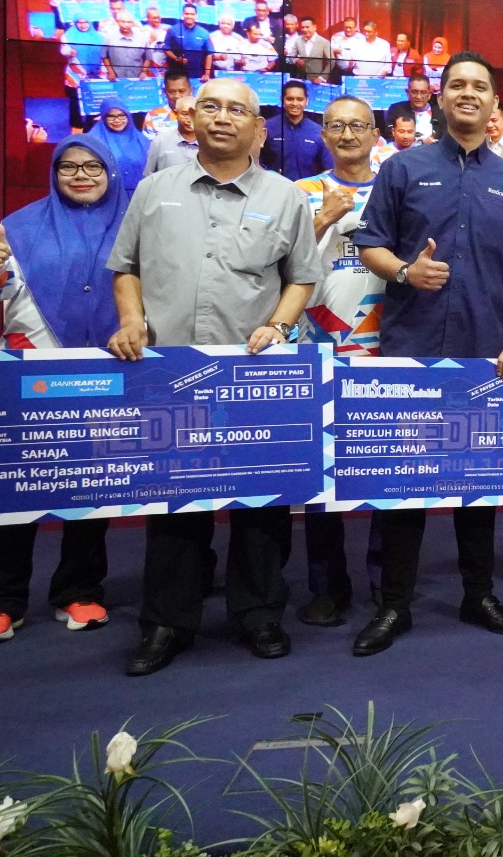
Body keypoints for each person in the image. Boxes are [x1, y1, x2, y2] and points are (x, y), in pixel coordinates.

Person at [107, 77, 322, 676]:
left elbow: (302, 277)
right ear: (191, 118)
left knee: (261, 505)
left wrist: (279, 326)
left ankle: (258, 613)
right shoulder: (154, 189)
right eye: (211, 107)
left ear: (258, 127)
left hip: (252, 374)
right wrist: (131, 319)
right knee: (176, 506)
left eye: (237, 110)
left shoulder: (285, 196)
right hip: (171, 371)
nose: (223, 118)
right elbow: (125, 267)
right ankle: (167, 623)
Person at [352, 51, 503, 653]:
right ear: (439, 99)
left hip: (483, 353)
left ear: (494, 105)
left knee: (477, 484)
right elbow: (370, 245)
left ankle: (478, 595)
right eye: (457, 84)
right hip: (410, 350)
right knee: (403, 485)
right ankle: (394, 604)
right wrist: (406, 272)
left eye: (480, 86)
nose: (468, 93)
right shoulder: (402, 168)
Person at [0, 134, 125, 647]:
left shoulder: (134, 224)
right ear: (54, 174)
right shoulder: (19, 225)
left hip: (106, 370)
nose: (81, 175)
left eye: (92, 166)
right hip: (28, 371)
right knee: (16, 487)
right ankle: (1, 602)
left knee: (91, 489)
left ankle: (79, 591)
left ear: (110, 171)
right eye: (68, 167)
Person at [294, 97, 389, 627]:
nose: (348, 134)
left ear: (375, 134)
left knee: (385, 469)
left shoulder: (396, 188)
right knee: (322, 474)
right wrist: (323, 219)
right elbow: (276, 260)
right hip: (318, 344)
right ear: (324, 135)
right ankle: (327, 586)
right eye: (336, 126)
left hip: (387, 345)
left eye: (358, 126)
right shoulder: (300, 191)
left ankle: (386, 582)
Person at [262, 80, 330, 181]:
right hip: (273, 187)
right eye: (290, 99)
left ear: (307, 101)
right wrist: (268, 176)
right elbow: (255, 162)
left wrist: (313, 184)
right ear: (282, 100)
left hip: (307, 189)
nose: (294, 103)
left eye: (300, 99)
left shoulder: (318, 131)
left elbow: (329, 169)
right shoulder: (267, 127)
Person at [86, 98, 150, 193]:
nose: (117, 120)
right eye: (111, 116)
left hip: (140, 193)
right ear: (103, 117)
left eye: (122, 115)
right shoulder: (92, 140)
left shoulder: (141, 140)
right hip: (107, 194)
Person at [143, 94, 199, 174]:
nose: (189, 119)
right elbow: (149, 175)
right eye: (185, 114)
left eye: (194, 114)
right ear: (176, 114)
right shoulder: (160, 141)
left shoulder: (209, 142)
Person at [163, 3, 211, 80]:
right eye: (187, 14)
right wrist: (176, 59)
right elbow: (166, 49)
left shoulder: (204, 32)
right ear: (183, 14)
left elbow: (209, 54)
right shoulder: (173, 30)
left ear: (196, 16)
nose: (189, 16)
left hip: (197, 74)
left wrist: (207, 74)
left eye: (192, 14)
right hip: (176, 72)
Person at [142, 69, 192, 140]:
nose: (177, 96)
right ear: (164, 91)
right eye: (171, 91)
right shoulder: (153, 116)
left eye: (182, 91)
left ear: (191, 90)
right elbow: (148, 144)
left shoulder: (202, 114)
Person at [287, 17, 335, 83]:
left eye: (307, 27)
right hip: (300, 77)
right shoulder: (298, 40)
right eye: (303, 27)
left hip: (316, 79)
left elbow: (332, 61)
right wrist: (296, 60)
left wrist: (322, 77)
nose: (304, 29)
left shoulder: (324, 42)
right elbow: (291, 56)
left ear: (314, 27)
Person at [101, 13, 146, 79]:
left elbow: (147, 57)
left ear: (133, 23)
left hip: (137, 77)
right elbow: (104, 57)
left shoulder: (142, 38)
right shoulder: (109, 37)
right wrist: (110, 72)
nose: (126, 25)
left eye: (129, 22)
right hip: (116, 77)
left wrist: (144, 72)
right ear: (117, 22)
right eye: (123, 22)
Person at [405, 74, 442, 142]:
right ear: (407, 92)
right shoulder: (396, 110)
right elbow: (390, 136)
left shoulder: (441, 113)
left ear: (429, 94)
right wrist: (420, 142)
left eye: (423, 92)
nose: (418, 97)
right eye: (414, 92)